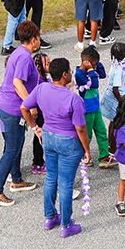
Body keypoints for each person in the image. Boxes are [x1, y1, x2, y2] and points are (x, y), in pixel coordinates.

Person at [28, 56, 90, 237]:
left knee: (51, 178)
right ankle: (66, 225)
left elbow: (25, 107)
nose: (71, 73)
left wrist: (35, 128)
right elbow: (80, 128)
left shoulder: (41, 89)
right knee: (65, 183)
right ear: (64, 75)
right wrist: (86, 149)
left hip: (48, 136)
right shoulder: (74, 99)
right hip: (68, 142)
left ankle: (50, 217)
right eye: (70, 70)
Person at [0, 21, 44, 206]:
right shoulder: (25, 58)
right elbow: (17, 83)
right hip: (12, 109)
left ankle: (17, 180)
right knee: (11, 150)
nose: (40, 41)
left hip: (6, 104)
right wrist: (30, 103)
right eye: (38, 38)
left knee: (17, 143)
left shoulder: (18, 52)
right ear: (33, 39)